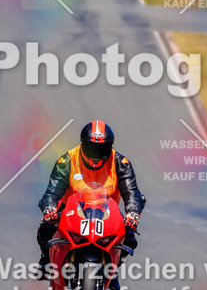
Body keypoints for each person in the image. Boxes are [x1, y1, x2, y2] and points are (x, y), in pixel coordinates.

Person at [36, 120, 146, 279]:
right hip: (71, 210)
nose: (96, 154)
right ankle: (46, 261)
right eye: (91, 147)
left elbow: (132, 192)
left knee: (129, 238)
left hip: (107, 212)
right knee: (45, 229)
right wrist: (49, 208)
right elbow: (52, 191)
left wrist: (133, 214)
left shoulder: (121, 163)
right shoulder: (67, 161)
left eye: (101, 148)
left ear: (110, 147)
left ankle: (112, 269)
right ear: (82, 144)